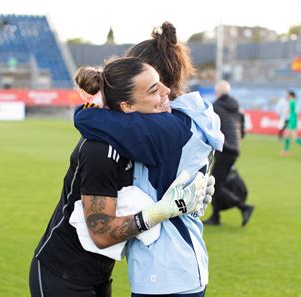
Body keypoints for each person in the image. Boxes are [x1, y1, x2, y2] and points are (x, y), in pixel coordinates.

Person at [29, 57, 209, 297]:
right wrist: (163, 210)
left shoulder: (134, 138)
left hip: (99, 274)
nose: (167, 92)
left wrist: (199, 188)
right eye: (154, 89)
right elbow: (102, 233)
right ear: (127, 106)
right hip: (61, 275)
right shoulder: (101, 149)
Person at [73, 22, 224, 296]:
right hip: (185, 260)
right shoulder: (190, 119)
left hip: (164, 267)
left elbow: (86, 117)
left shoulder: (165, 130)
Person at [203, 80, 254, 227]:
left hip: (224, 148)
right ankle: (216, 217)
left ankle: (243, 207)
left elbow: (210, 127)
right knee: (217, 183)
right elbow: (242, 131)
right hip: (235, 149)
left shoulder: (216, 107)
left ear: (217, 93)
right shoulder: (236, 108)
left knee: (215, 185)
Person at [280, 90, 301, 156]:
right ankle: (286, 151)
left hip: (292, 120)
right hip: (292, 120)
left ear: (290, 95)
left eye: (287, 95)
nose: (287, 96)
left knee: (294, 136)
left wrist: (284, 114)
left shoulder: (292, 102)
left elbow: (289, 111)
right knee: (287, 135)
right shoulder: (294, 102)